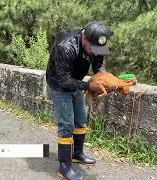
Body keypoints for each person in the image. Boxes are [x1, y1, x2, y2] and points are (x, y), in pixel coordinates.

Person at [46, 21, 112, 180]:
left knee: (81, 119)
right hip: (59, 85)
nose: (96, 52)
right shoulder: (66, 47)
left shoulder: (96, 43)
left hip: (77, 83)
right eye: (93, 49)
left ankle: (77, 154)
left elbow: (99, 65)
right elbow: (64, 80)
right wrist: (89, 85)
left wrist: (104, 79)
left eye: (99, 49)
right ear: (84, 38)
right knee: (67, 125)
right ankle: (64, 166)